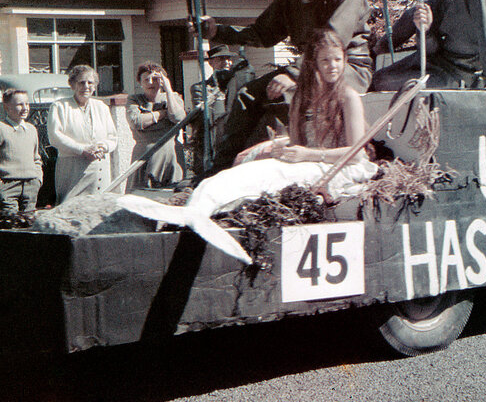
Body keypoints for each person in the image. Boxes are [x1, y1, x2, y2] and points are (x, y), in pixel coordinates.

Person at [117, 31, 377, 262]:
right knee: (246, 169)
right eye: (325, 60)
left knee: (263, 177)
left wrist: (305, 154)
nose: (332, 66)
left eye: (337, 59)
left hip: (339, 167)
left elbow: (356, 154)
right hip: (309, 163)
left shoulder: (348, 96)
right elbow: (298, 144)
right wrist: (280, 148)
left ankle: (202, 212)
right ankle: (197, 210)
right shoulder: (303, 97)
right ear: (314, 64)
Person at [196, 0, 372, 171]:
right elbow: (261, 33)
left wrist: (294, 74)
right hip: (308, 69)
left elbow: (333, 41)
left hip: (345, 67)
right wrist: (217, 31)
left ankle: (283, 168)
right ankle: (219, 171)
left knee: (286, 95)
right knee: (247, 94)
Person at [48, 65, 118, 202]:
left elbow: (112, 137)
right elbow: (55, 136)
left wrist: (103, 147)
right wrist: (82, 149)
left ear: (95, 86)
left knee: (98, 206)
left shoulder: (102, 107)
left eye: (90, 82)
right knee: (70, 206)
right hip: (72, 169)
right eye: (81, 82)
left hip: (98, 167)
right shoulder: (60, 106)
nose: (86, 86)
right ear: (72, 85)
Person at [126, 62, 187, 189]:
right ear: (140, 82)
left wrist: (168, 90)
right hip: (146, 155)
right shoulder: (134, 100)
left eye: (155, 79)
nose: (150, 83)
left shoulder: (173, 98)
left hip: (172, 156)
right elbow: (136, 122)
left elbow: (178, 117)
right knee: (142, 195)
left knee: (172, 194)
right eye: (146, 79)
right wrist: (162, 113)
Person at [0, 89, 43, 212]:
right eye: (20, 104)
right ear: (7, 107)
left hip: (30, 186)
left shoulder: (31, 129)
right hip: (7, 186)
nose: (25, 108)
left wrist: (38, 179)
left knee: (29, 220)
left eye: (27, 104)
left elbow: (36, 158)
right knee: (9, 221)